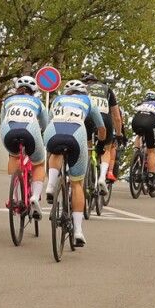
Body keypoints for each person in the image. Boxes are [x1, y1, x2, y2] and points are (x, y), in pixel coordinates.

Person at [44, 81, 105, 247]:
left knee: (55, 152)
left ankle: (50, 186)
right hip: (77, 135)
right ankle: (78, 231)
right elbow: (101, 127)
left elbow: (48, 122)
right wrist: (101, 142)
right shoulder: (88, 101)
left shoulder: (57, 99)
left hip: (53, 132)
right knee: (77, 183)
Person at [0, 76, 50, 177]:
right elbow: (45, 124)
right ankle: (36, 188)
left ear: (17, 88)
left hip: (9, 133)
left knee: (14, 156)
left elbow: (3, 121)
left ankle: (14, 182)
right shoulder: (38, 102)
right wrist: (42, 132)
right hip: (30, 133)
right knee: (39, 164)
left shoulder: (7, 101)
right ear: (34, 91)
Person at [79, 72, 122, 183]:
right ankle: (102, 177)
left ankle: (87, 170)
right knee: (106, 149)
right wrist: (118, 134)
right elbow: (117, 117)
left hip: (87, 118)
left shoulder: (83, 89)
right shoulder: (107, 89)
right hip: (105, 118)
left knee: (88, 146)